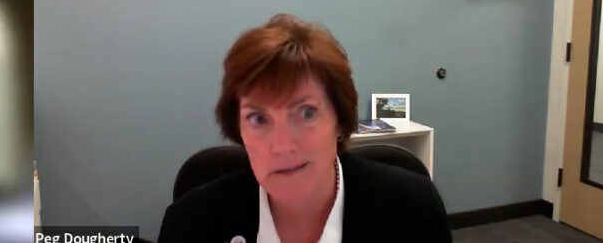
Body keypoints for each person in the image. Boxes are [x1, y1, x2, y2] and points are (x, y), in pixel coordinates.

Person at [157, 15, 450, 242]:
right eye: (258, 119)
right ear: (238, 128)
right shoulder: (189, 225)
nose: (282, 145)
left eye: (306, 113)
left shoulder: (413, 212)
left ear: (339, 120)